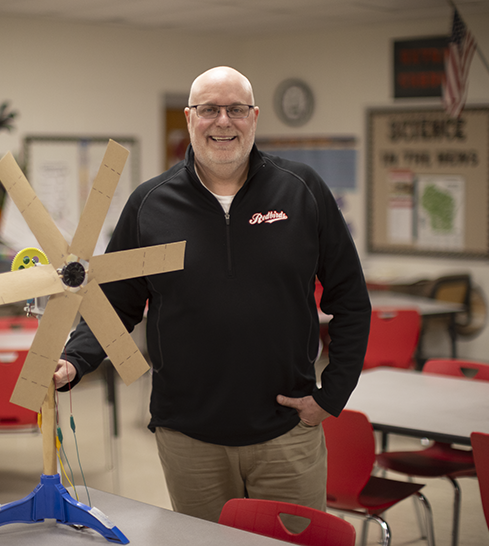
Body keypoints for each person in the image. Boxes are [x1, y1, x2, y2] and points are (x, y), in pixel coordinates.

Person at [52, 66, 371, 523]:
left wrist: (332, 394)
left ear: (254, 117)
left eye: (236, 109)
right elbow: (115, 302)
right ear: (189, 118)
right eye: (209, 110)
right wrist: (75, 359)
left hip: (286, 430)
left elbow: (351, 299)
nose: (223, 121)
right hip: (188, 437)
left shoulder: (302, 191)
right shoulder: (151, 203)